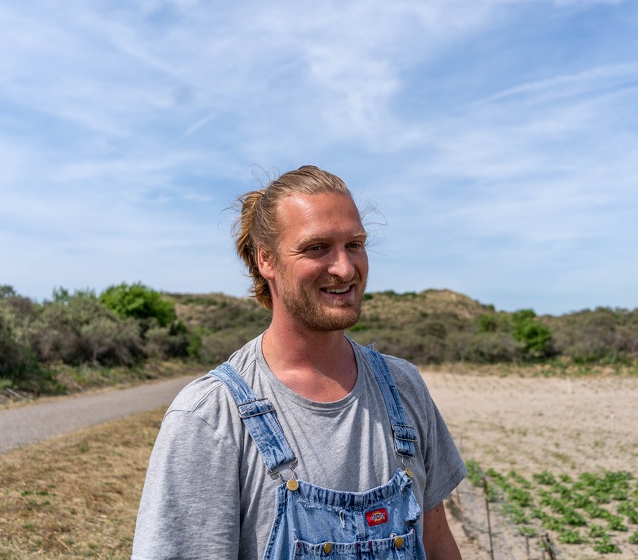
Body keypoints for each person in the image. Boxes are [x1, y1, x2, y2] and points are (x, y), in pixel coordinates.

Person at [132, 166, 466, 559]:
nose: (344, 268)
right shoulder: (210, 417)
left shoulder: (404, 386)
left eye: (355, 244)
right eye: (317, 248)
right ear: (265, 261)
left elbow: (438, 542)